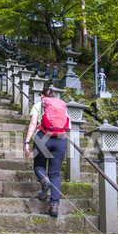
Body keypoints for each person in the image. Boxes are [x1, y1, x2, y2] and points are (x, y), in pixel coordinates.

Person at [24, 87, 70, 217]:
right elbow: (69, 126)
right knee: (55, 173)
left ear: (43, 96)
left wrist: (27, 142)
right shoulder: (62, 105)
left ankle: (44, 181)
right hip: (60, 140)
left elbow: (33, 123)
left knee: (39, 165)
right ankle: (54, 207)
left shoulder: (39, 105)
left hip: (42, 137)